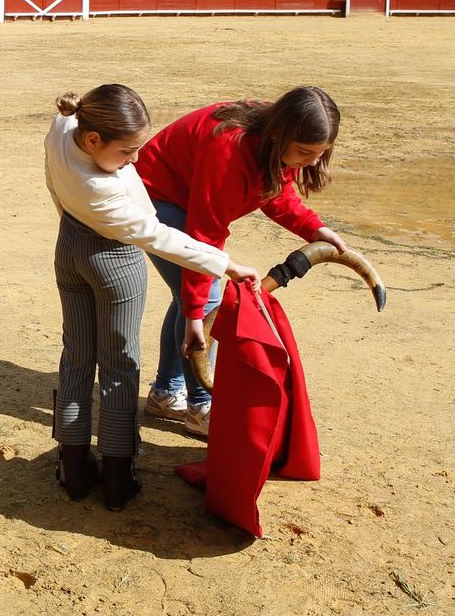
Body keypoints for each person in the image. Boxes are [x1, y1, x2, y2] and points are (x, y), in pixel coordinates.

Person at [43, 85, 257, 511]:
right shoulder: (103, 190)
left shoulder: (63, 125)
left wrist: (68, 215)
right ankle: (119, 477)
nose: (136, 160)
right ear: (93, 141)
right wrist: (224, 263)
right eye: (128, 151)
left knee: (77, 356)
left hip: (68, 246)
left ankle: (74, 468)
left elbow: (54, 180)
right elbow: (156, 236)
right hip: (114, 261)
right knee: (121, 362)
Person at [133, 86, 346, 439]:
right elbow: (205, 235)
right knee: (205, 301)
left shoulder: (277, 135)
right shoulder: (230, 150)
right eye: (305, 152)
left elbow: (275, 193)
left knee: (188, 302)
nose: (310, 161)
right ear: (279, 135)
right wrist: (197, 312)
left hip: (187, 199)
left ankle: (165, 393)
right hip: (158, 197)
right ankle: (200, 404)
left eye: (319, 153)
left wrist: (315, 228)